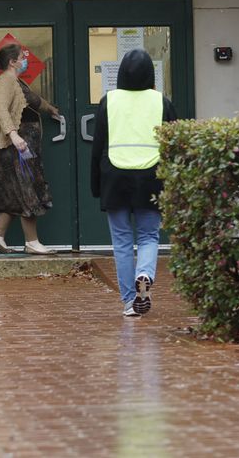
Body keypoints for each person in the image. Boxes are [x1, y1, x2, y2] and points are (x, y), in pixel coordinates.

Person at [91, 48, 177, 317]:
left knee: (122, 242)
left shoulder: (109, 100)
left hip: (115, 177)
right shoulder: (161, 101)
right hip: (151, 176)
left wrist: (96, 184)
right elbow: (173, 145)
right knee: (150, 236)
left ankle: (130, 301)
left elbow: (98, 146)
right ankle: (145, 274)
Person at [0, 44, 60, 255]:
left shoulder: (17, 81)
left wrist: (51, 109)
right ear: (12, 62)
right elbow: (1, 108)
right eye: (22, 57)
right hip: (16, 147)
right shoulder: (6, 81)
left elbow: (34, 101)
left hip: (22, 146)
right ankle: (32, 242)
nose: (25, 60)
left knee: (16, 192)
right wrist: (14, 135)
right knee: (28, 190)